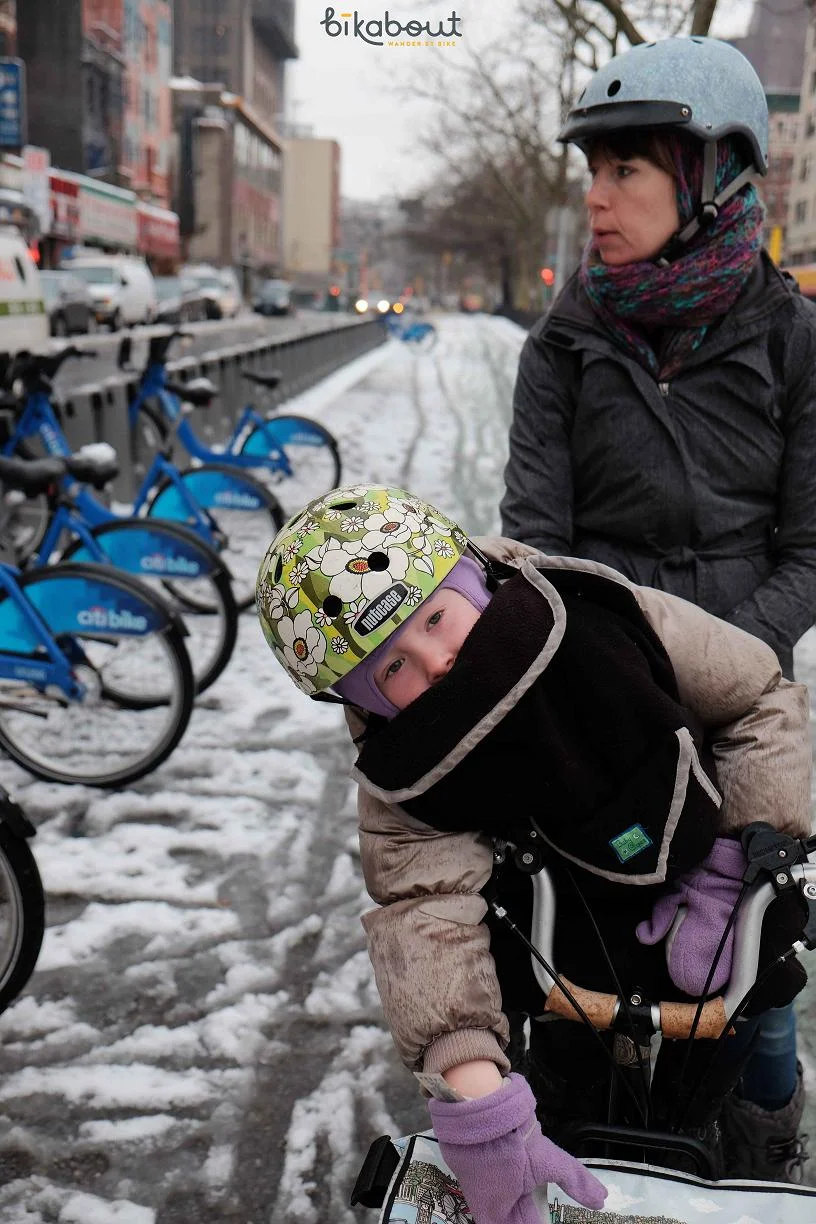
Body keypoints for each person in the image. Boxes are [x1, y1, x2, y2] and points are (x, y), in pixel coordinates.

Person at [257, 484, 811, 1218]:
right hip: (562, 945)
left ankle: (769, 1145)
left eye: (436, 619)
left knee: (756, 1014)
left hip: (710, 865)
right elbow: (423, 908)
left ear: (471, 579)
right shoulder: (409, 770)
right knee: (563, 1072)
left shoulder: (597, 616)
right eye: (393, 670)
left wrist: (747, 850)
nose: (436, 662)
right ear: (365, 703)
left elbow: (760, 696)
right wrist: (478, 1100)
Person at [499, 34, 816, 1181]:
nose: (596, 197)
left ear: (712, 173)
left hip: (743, 701)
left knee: (755, 975)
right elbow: (536, 545)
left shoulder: (795, 339)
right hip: (599, 694)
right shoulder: (563, 344)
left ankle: (766, 1146)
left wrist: (724, 661)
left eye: (625, 169)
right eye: (592, 170)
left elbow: (809, 550)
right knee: (571, 951)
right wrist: (615, 676)